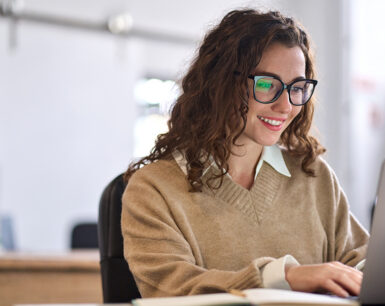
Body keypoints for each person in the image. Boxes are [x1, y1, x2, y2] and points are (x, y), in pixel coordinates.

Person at [121, 8, 369, 299]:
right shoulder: (153, 189)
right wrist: (284, 277)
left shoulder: (314, 176)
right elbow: (174, 290)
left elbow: (361, 265)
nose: (286, 107)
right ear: (221, 84)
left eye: (297, 88)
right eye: (267, 85)